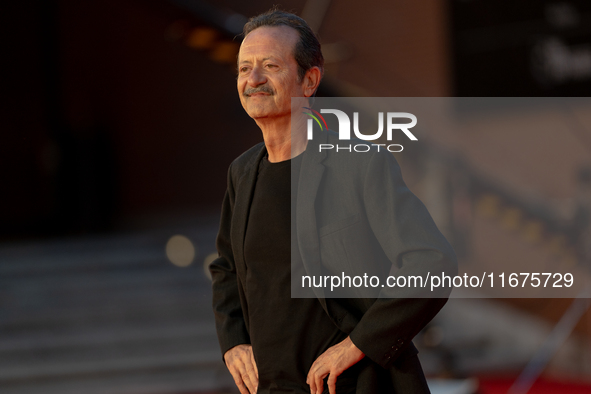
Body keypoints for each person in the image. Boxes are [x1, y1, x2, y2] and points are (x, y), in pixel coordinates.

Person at [209, 8, 457, 394]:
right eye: (244, 69)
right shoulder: (241, 173)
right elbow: (226, 268)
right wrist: (233, 341)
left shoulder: (357, 162)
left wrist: (357, 345)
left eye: (270, 66)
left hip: (356, 384)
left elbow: (431, 261)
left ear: (309, 80)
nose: (253, 80)